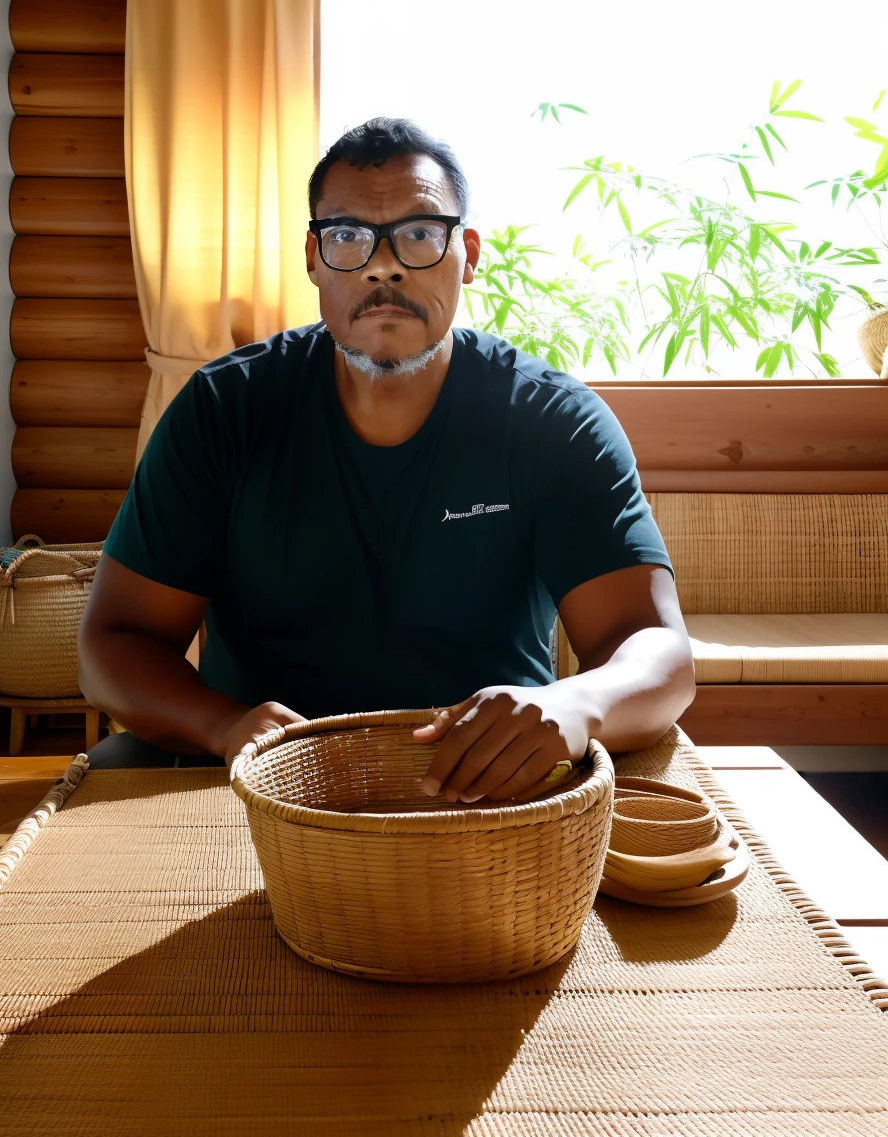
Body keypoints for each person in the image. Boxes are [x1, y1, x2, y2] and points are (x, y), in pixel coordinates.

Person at [79, 118, 695, 802]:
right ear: (313, 257)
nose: (383, 264)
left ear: (468, 252)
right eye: (347, 236)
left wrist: (575, 706)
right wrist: (225, 727)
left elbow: (656, 650)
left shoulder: (552, 422)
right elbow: (114, 641)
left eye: (419, 234)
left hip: (485, 790)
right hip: (259, 790)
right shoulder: (223, 410)